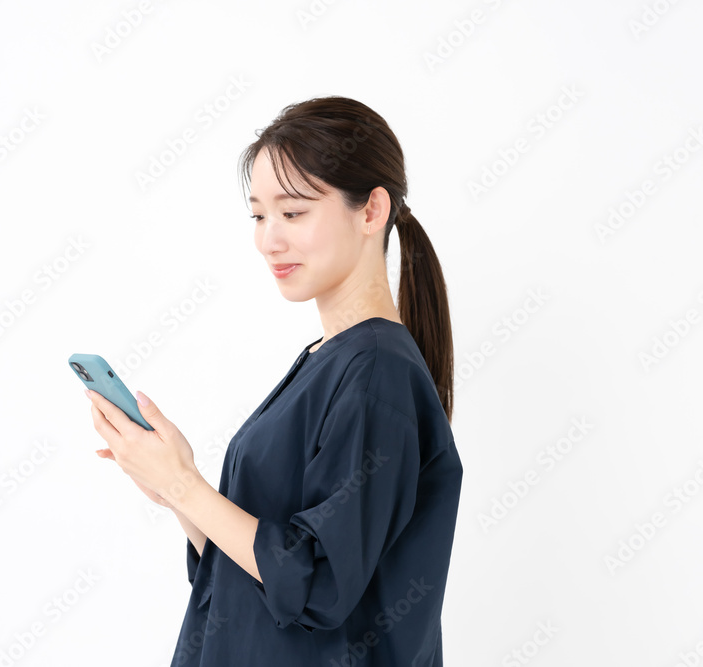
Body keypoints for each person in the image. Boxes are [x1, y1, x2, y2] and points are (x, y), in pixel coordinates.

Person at [87, 95, 462, 666]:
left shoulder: (376, 371)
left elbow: (320, 582)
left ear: (371, 211)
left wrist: (187, 485)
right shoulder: (331, 359)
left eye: (293, 213)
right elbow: (259, 574)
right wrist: (175, 489)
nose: (269, 241)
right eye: (259, 216)